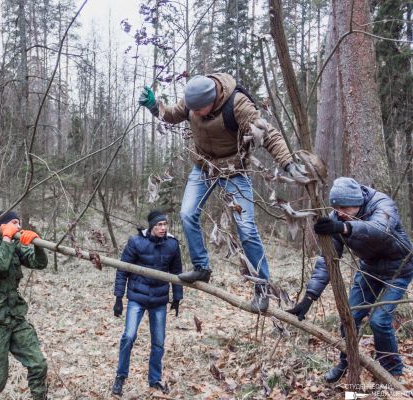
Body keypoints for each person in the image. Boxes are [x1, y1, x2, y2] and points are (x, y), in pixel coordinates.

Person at [138, 74, 307, 311]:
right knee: (187, 214)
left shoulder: (237, 104)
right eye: (192, 109)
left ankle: (261, 287)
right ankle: (201, 268)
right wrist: (154, 106)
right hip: (203, 167)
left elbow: (267, 134)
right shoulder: (192, 101)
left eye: (199, 109)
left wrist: (288, 164)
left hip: (234, 170)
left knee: (246, 228)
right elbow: (172, 115)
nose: (194, 114)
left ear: (214, 99)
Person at [287, 177, 413, 382]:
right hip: (369, 268)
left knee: (379, 321)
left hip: (398, 270)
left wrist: (343, 227)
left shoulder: (381, 203)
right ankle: (347, 363)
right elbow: (327, 260)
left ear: (358, 203)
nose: (340, 213)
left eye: (344, 208)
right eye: (336, 208)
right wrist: (309, 297)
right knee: (350, 317)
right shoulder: (336, 219)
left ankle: (392, 372)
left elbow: (380, 230)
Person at [0, 210, 49, 400]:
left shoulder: (15, 245)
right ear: (3, 225)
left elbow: (38, 263)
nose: (19, 227)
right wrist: (6, 239)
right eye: (15, 222)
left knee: (38, 364)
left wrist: (37, 245)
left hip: (15, 317)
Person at [111, 210, 183, 396]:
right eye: (159, 225)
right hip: (137, 297)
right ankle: (120, 377)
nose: (163, 228)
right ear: (151, 226)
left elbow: (177, 273)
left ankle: (155, 380)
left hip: (159, 300)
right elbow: (122, 269)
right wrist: (119, 298)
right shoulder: (136, 242)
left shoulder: (172, 245)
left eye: (165, 224)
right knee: (128, 336)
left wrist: (177, 298)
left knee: (158, 342)